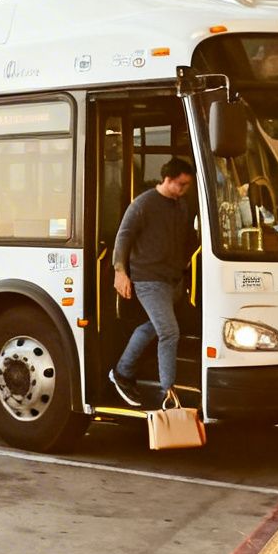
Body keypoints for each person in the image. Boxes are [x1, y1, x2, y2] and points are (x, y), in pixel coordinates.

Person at [111, 157, 197, 409]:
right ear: (168, 180)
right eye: (181, 184)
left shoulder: (180, 205)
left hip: (173, 281)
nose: (184, 190)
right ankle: (167, 393)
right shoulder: (143, 204)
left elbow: (186, 237)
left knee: (152, 327)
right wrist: (120, 272)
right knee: (169, 332)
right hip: (148, 280)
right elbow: (123, 237)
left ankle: (123, 372)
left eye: (187, 185)